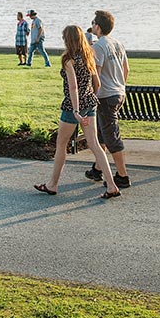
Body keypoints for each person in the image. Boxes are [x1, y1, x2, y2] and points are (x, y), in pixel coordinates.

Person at [34, 25, 121, 199]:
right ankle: (111, 185)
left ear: (68, 39)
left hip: (72, 106)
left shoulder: (68, 59)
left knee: (61, 144)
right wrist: (90, 98)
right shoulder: (89, 55)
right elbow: (97, 83)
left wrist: (75, 110)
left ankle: (52, 184)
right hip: (90, 103)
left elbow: (73, 87)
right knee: (95, 144)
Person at [85, 10, 131, 188]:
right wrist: (120, 85)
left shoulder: (99, 47)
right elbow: (126, 69)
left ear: (98, 26)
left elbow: (94, 74)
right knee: (102, 135)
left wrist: (92, 94)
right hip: (119, 92)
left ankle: (122, 176)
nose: (92, 25)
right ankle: (97, 169)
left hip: (105, 96)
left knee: (111, 137)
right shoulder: (118, 44)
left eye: (93, 22)